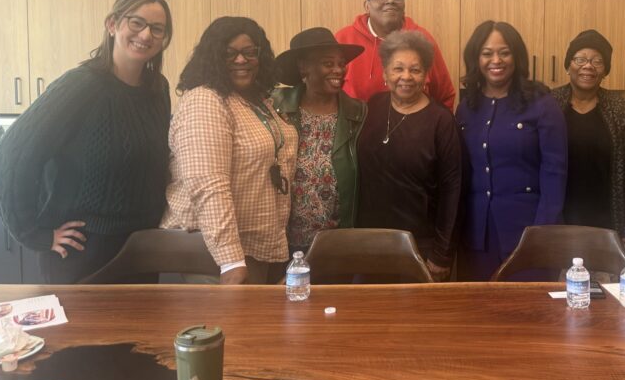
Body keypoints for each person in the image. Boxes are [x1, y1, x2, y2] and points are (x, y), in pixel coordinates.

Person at [0, 0, 174, 284]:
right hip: (83, 251)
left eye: (157, 28)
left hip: (143, 246)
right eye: (137, 23)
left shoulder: (157, 90)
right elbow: (10, 157)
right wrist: (34, 234)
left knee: (140, 318)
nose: (146, 35)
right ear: (112, 24)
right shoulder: (81, 86)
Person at [162, 17, 297, 285]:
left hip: (254, 247)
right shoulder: (205, 100)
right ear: (213, 57)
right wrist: (231, 261)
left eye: (249, 52)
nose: (241, 60)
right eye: (229, 53)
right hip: (211, 256)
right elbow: (208, 185)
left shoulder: (257, 101)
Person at [456, 21, 568, 281]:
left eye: (504, 53)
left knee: (529, 304)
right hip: (477, 234)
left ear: (516, 57)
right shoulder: (467, 107)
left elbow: (555, 172)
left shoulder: (542, 104)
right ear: (476, 59)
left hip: (527, 232)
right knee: (479, 304)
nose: (496, 60)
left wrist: (541, 233)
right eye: (487, 53)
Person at [355, 30, 461, 281]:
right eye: (398, 68)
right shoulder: (373, 107)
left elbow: (452, 190)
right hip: (370, 241)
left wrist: (442, 254)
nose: (406, 77)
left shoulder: (441, 121)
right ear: (385, 73)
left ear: (426, 75)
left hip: (420, 246)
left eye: (415, 70)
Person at [551, 30, 625, 257]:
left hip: (608, 222)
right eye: (580, 59)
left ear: (605, 71)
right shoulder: (550, 103)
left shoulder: (619, 108)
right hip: (559, 220)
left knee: (604, 279)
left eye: (597, 61)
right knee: (559, 278)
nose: (588, 66)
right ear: (568, 66)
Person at [272, 28, 367, 254]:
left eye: (341, 64)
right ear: (303, 67)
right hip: (284, 235)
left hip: (337, 239)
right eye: (328, 63)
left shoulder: (358, 112)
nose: (338, 70)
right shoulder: (275, 105)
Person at [335, 0, 456, 111]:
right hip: (357, 124)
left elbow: (445, 95)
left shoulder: (423, 40)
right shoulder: (344, 39)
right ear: (367, 6)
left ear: (403, 5)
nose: (390, 0)